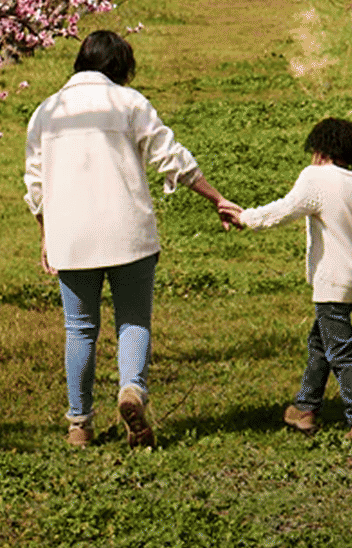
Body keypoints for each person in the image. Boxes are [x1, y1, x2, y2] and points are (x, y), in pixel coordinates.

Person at [23, 29, 236, 449]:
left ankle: (79, 424)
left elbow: (35, 182)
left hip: (72, 235)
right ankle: (132, 390)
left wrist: (46, 234)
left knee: (80, 329)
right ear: (120, 66)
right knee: (133, 320)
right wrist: (216, 197)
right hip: (128, 231)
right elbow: (170, 156)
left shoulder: (47, 111)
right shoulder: (129, 103)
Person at [232, 117, 352, 444]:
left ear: (320, 150)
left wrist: (245, 217)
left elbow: (284, 210)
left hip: (332, 280)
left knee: (341, 352)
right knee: (321, 344)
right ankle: (305, 408)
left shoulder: (316, 177)